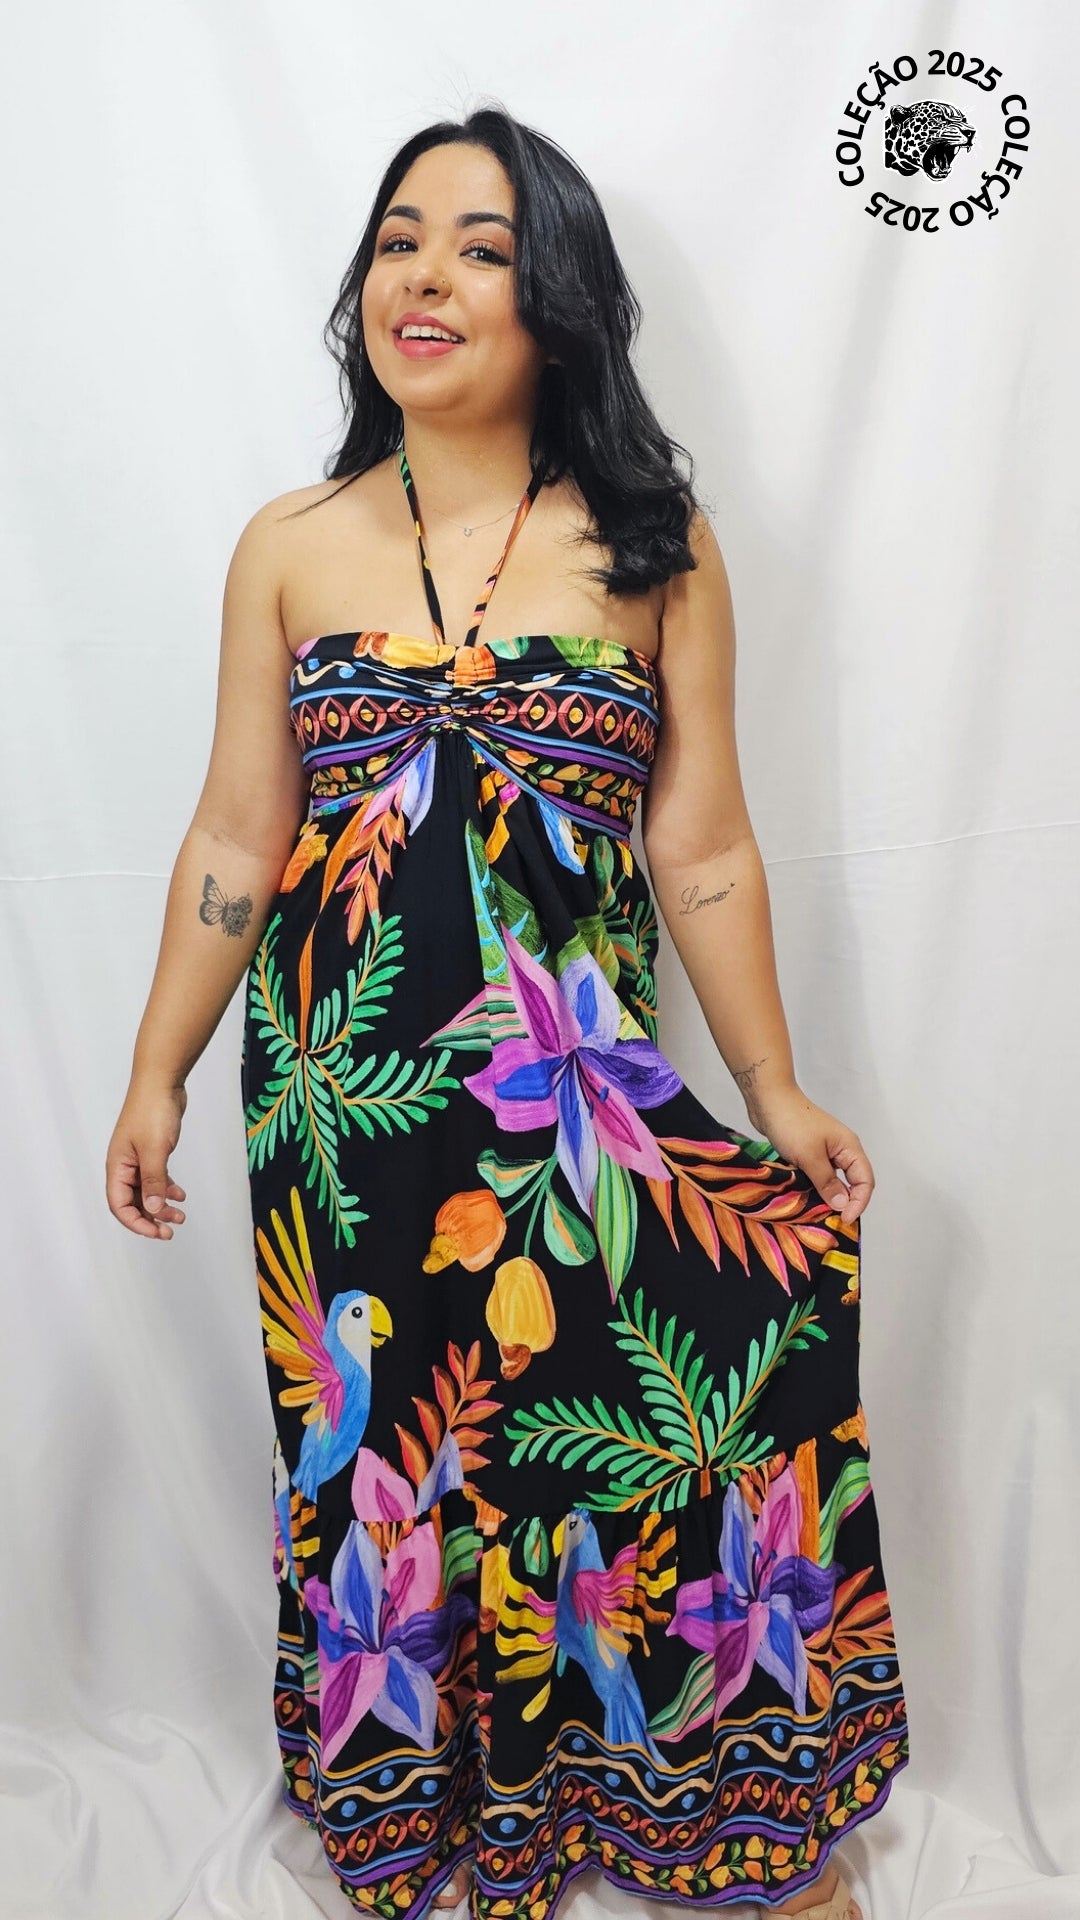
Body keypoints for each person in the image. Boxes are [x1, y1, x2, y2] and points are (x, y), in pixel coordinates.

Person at [106, 105, 909, 1920]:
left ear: (556, 303)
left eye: (482, 248)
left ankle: (725, 1807)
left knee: (670, 1408)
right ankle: (434, 1821)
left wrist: (773, 1089)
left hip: (575, 1109)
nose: (428, 276)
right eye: (400, 239)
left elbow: (701, 845)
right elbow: (237, 832)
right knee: (396, 1461)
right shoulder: (290, 545)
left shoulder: (652, 547)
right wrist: (157, 1067)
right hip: (349, 1113)